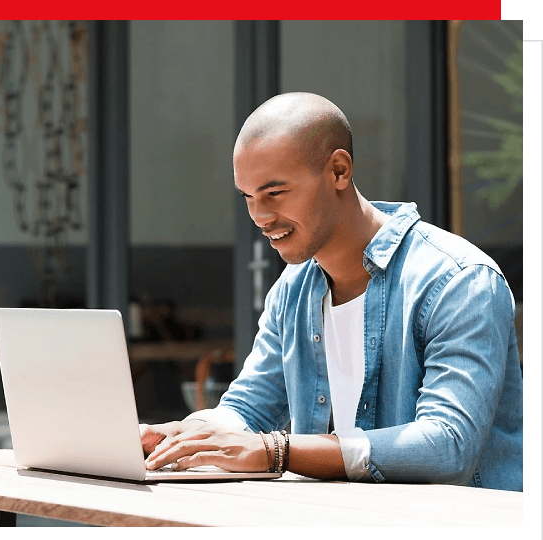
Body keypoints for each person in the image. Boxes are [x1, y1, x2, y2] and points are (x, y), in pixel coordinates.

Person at [140, 92, 523, 491]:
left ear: (338, 171)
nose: (260, 216)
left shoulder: (458, 281)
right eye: (248, 198)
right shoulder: (293, 289)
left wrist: (277, 450)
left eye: (275, 193)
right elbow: (248, 408)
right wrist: (180, 438)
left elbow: (447, 444)